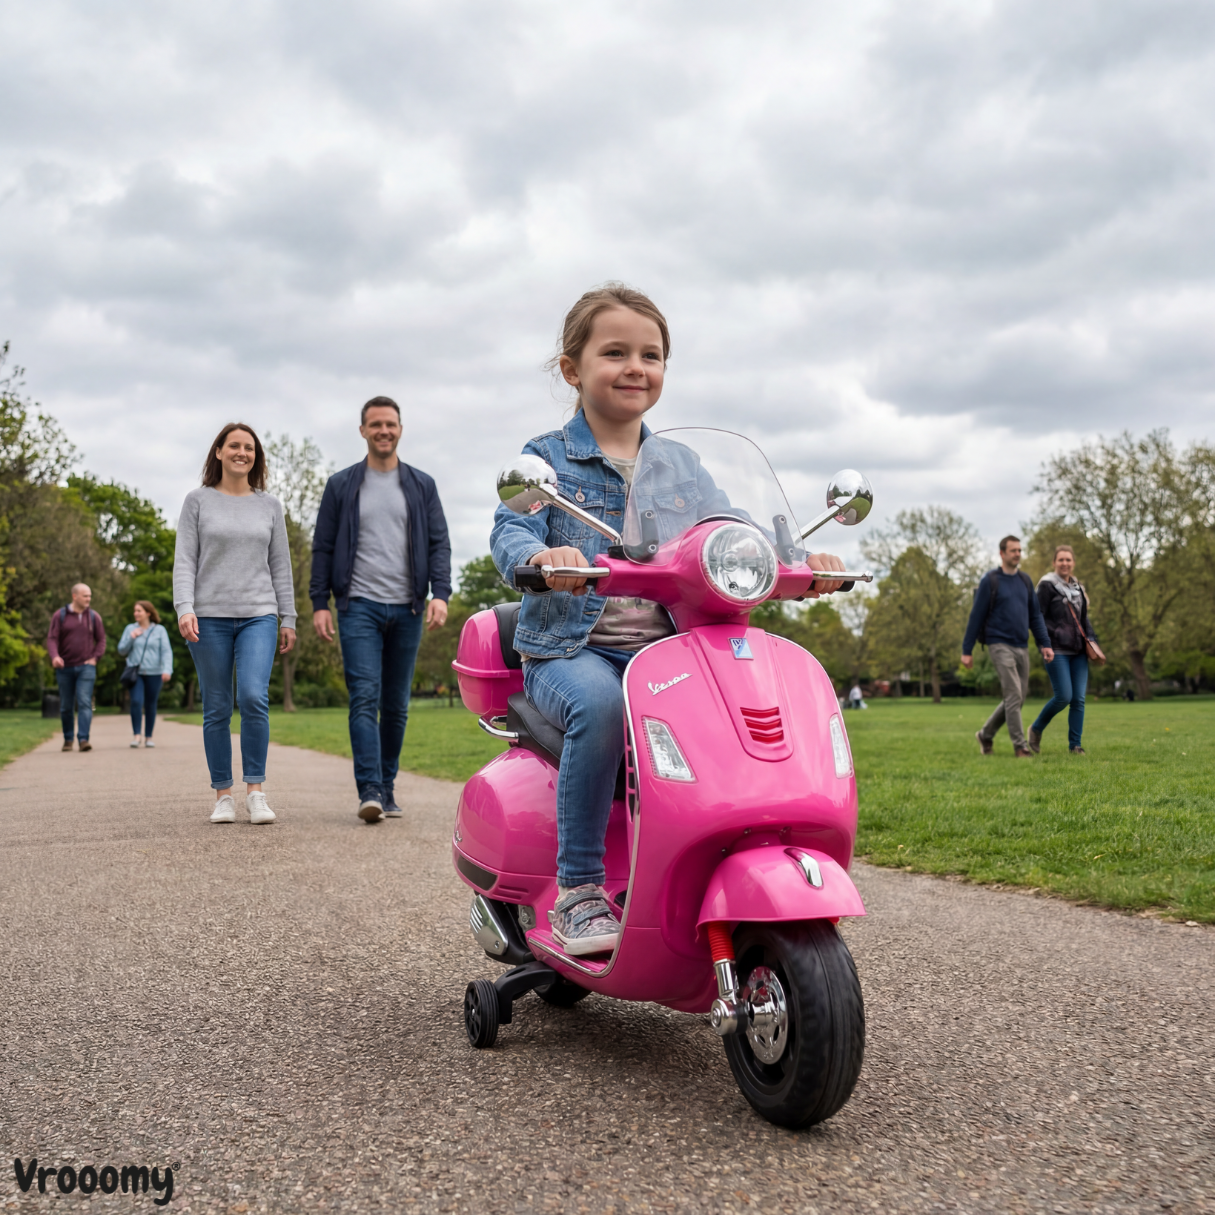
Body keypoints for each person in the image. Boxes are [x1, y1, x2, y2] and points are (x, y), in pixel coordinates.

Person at [490, 284, 847, 955]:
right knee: (600, 708)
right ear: (572, 368)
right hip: (573, 651)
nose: (635, 366)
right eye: (615, 352)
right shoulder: (548, 459)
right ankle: (580, 890)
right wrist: (542, 554)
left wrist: (797, 558)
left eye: (650, 355)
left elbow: (729, 525)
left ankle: (711, 864)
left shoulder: (679, 463)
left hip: (671, 652)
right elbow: (510, 527)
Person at [310, 396, 452, 824]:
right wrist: (319, 603)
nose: (383, 431)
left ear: (400, 430)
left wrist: (440, 593)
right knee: (364, 698)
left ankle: (387, 788)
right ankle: (369, 789)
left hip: (407, 608)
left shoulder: (421, 485)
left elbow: (438, 543)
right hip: (358, 608)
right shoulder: (342, 485)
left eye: (390, 424)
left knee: (396, 705)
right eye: (375, 425)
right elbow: (323, 546)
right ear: (363, 431)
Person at [174, 422, 296, 825]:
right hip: (207, 616)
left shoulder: (269, 505)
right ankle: (222, 794)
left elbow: (281, 564)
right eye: (234, 446)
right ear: (219, 452)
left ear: (255, 456)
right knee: (217, 706)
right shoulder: (197, 501)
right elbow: (185, 559)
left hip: (258, 613)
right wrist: (184, 607)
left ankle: (256, 792)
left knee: (253, 696)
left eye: (249, 447)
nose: (242, 452)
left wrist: (288, 616)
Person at [962, 535, 1054, 757]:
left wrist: (1044, 643)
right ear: (1002, 553)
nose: (1018, 554)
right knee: (1013, 695)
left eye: (1020, 550)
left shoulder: (1025, 581)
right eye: (1013, 550)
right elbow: (976, 616)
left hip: (1021, 645)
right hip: (998, 644)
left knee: (1018, 697)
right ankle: (1020, 746)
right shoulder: (990, 581)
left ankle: (985, 734)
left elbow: (1035, 616)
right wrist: (967, 649)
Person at [1028, 545, 1101, 755]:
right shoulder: (1046, 586)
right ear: (1054, 563)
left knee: (1078, 699)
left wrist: (1093, 643)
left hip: (1078, 650)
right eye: (1061, 560)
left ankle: (1075, 746)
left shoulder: (1078, 588)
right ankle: (1036, 729)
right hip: (1055, 648)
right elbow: (1036, 617)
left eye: (1068, 560)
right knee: (1064, 697)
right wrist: (1043, 644)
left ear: (1073, 563)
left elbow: (1083, 620)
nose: (1065, 563)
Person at [46, 582, 106, 753]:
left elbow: (101, 639)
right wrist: (55, 656)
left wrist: (95, 658)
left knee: (85, 702)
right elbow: (52, 638)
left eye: (90, 595)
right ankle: (68, 739)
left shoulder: (94, 617)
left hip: (86, 667)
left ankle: (83, 739)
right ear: (75, 596)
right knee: (66, 705)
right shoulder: (60, 615)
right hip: (64, 668)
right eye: (85, 595)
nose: (89, 599)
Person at [118, 600, 174, 748]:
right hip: (135, 673)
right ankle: (137, 735)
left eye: (139, 611)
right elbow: (121, 650)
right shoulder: (130, 628)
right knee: (136, 701)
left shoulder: (160, 630)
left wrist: (167, 670)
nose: (135, 613)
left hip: (155, 673)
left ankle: (149, 736)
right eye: (135, 610)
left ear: (148, 613)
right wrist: (131, 637)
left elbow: (166, 652)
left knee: (151, 704)